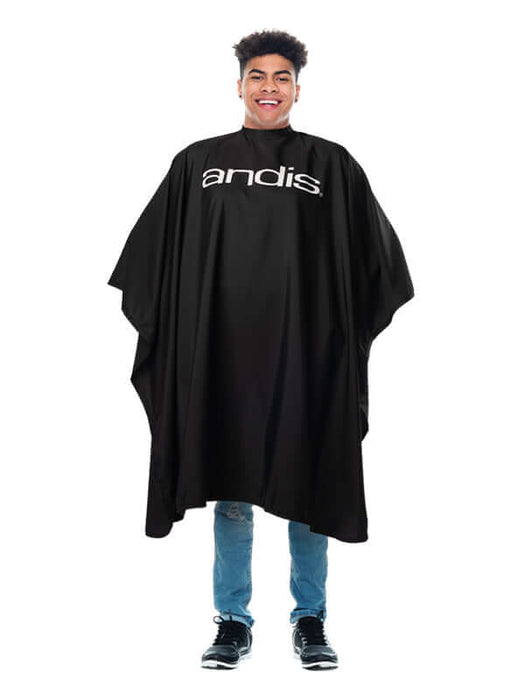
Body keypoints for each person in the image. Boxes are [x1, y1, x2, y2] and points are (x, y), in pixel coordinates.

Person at [107, 29, 414, 672]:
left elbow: (375, 265)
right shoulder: (198, 163)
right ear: (239, 85)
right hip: (221, 355)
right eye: (257, 76)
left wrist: (338, 344)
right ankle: (232, 621)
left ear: (298, 89)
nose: (268, 87)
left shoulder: (330, 165)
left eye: (281, 77)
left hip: (304, 354)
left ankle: (310, 618)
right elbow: (155, 265)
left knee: (310, 480)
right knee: (230, 485)